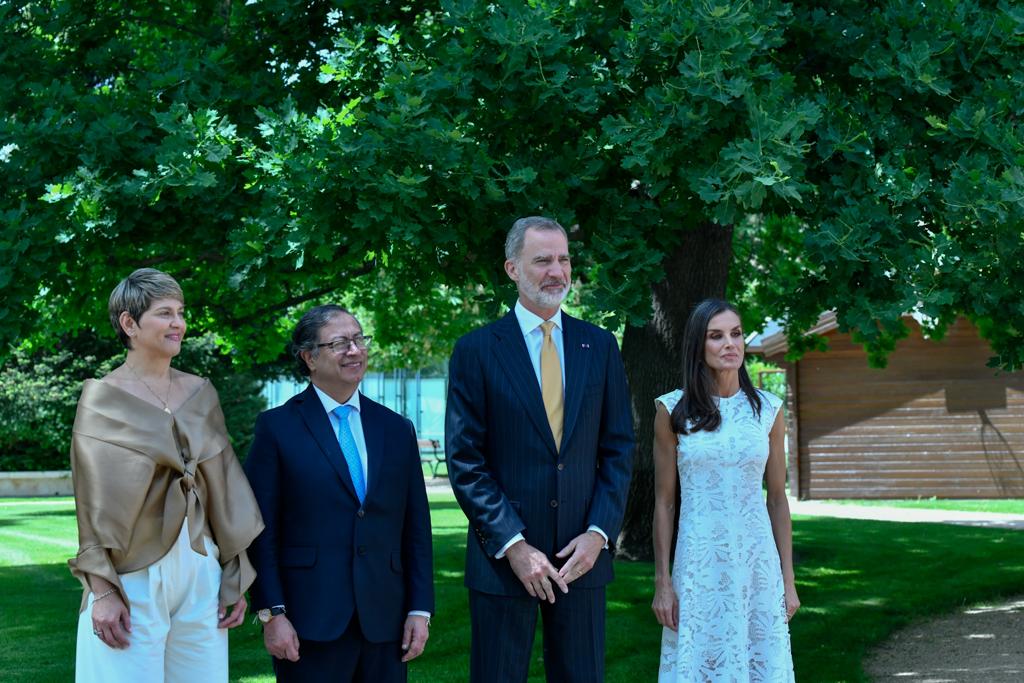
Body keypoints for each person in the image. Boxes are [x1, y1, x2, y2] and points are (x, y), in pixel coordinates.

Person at [446, 216, 635, 682]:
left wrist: (598, 535)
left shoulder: (601, 345)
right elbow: (466, 461)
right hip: (504, 561)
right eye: (543, 260)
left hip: (582, 561)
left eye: (564, 259)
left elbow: (618, 449)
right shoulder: (476, 350)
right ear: (512, 268)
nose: (557, 271)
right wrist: (513, 544)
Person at [69, 268, 264, 682]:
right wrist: (103, 590)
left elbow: (224, 487)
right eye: (164, 313)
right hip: (132, 572)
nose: (178, 323)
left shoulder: (200, 392)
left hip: (200, 570)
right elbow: (91, 505)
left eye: (180, 312)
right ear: (129, 323)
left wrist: (232, 573)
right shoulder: (102, 400)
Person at [244, 305, 433, 682]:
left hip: (385, 620)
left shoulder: (396, 429)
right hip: (309, 621)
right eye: (340, 343)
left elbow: (416, 528)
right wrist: (271, 613)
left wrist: (420, 609)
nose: (355, 350)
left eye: (360, 339)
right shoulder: (277, 428)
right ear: (309, 357)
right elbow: (260, 532)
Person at [651, 298, 800, 681]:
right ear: (698, 346)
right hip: (698, 563)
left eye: (735, 334)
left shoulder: (768, 409)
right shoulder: (672, 411)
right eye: (716, 336)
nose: (729, 344)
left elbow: (778, 499)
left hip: (757, 563)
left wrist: (788, 580)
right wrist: (663, 583)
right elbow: (665, 503)